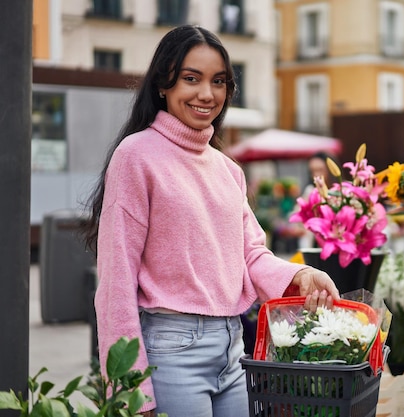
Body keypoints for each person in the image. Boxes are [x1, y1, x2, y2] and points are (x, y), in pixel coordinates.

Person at [80, 25, 339, 417]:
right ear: (162, 85)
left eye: (219, 81)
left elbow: (250, 253)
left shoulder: (228, 169)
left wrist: (298, 277)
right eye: (191, 78)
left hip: (232, 349)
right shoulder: (136, 156)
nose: (207, 94)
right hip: (169, 350)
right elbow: (116, 282)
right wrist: (130, 389)